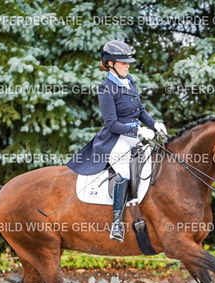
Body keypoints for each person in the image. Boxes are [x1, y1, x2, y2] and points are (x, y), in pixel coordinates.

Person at [67, 40, 167, 242]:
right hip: (114, 140)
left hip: (133, 136)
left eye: (128, 63)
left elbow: (140, 110)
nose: (128, 66)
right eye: (123, 63)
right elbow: (111, 123)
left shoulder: (129, 80)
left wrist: (154, 124)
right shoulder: (106, 88)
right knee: (124, 171)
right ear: (110, 64)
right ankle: (117, 224)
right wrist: (138, 130)